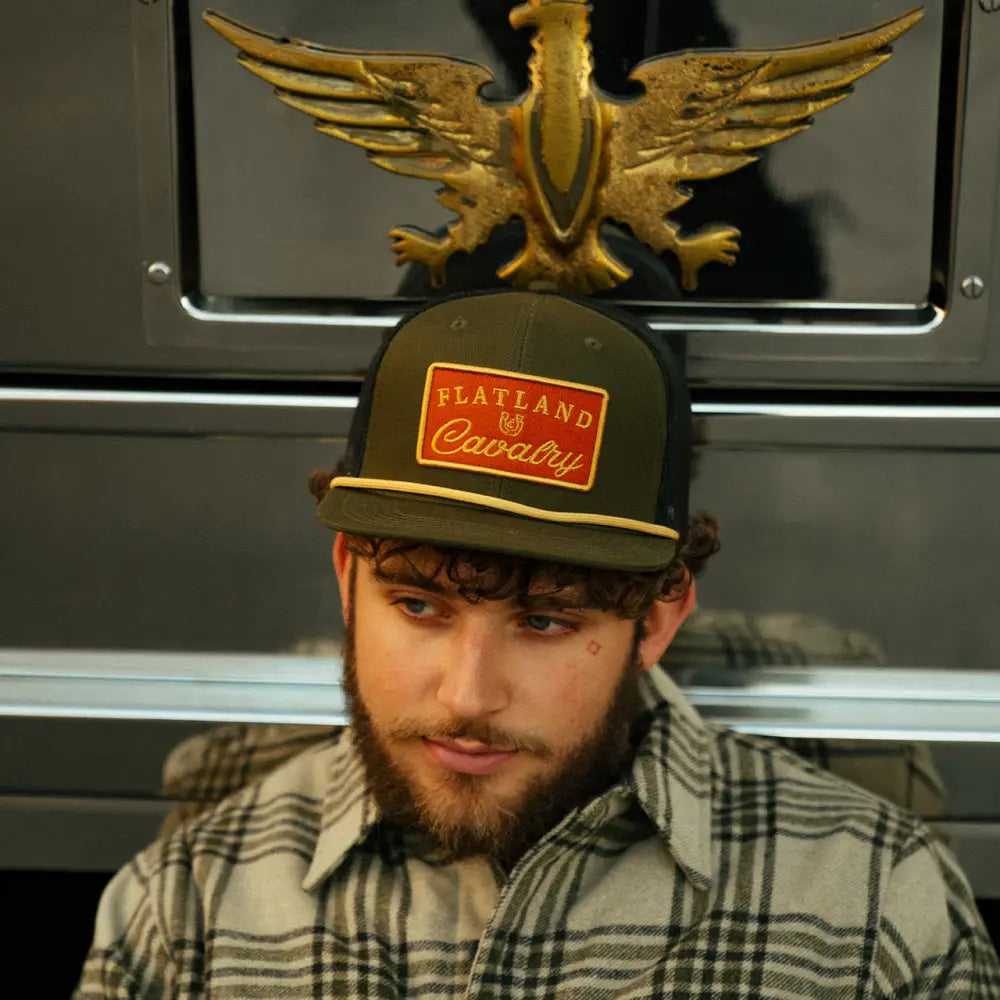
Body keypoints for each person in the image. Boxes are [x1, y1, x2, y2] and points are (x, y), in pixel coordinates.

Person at [76, 291, 999, 998]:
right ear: (345, 577)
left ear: (662, 619)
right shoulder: (184, 912)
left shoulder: (878, 907)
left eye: (546, 621)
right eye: (419, 606)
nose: (469, 696)